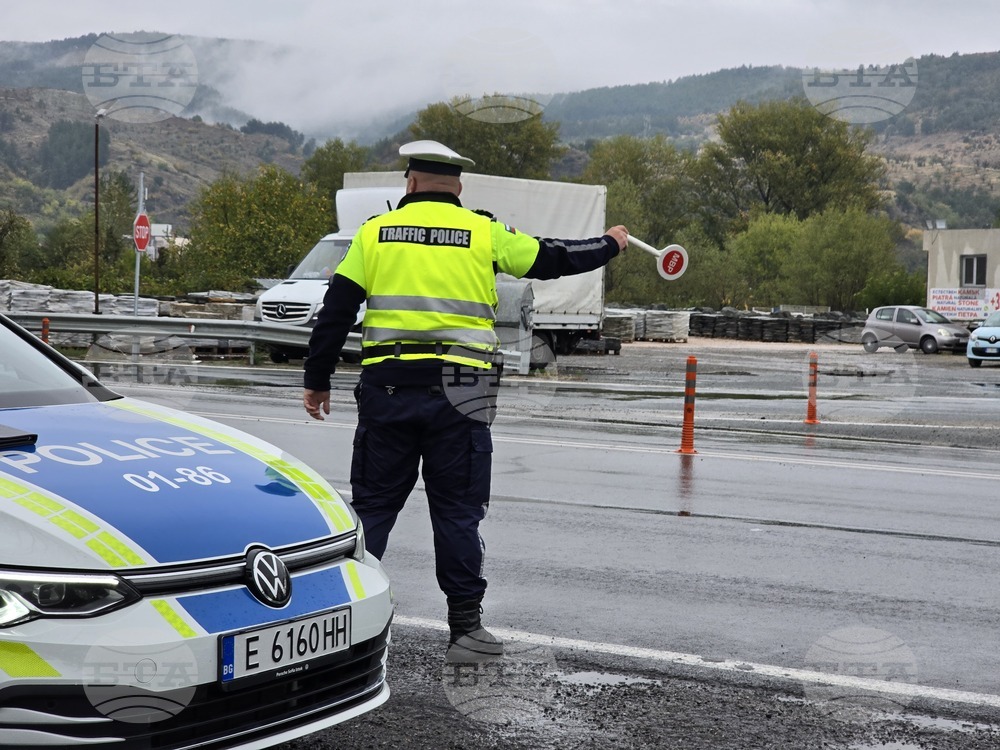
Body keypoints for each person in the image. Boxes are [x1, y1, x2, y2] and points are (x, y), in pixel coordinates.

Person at [303, 140, 627, 659]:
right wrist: (610, 244)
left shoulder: (374, 233)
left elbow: (337, 308)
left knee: (373, 509)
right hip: (463, 392)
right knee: (457, 512)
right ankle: (466, 630)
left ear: (409, 183)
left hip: (389, 387)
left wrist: (316, 379)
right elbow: (553, 259)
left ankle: (337, 626)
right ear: (458, 186)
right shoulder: (482, 231)